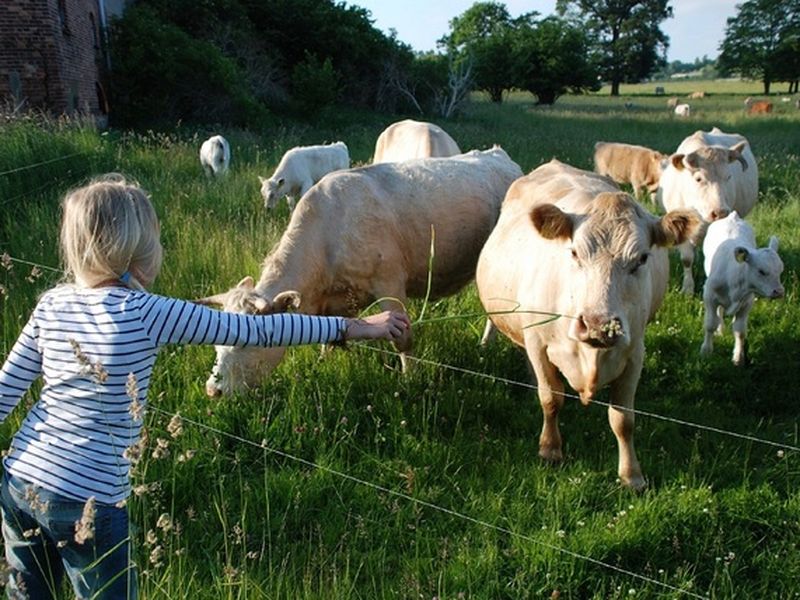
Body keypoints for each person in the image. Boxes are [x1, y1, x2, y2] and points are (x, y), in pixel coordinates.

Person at [0, 174, 410, 599]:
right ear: (139, 250)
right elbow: (259, 331)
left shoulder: (51, 303)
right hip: (89, 502)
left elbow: (5, 392)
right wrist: (355, 326)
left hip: (18, 480)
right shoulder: (146, 311)